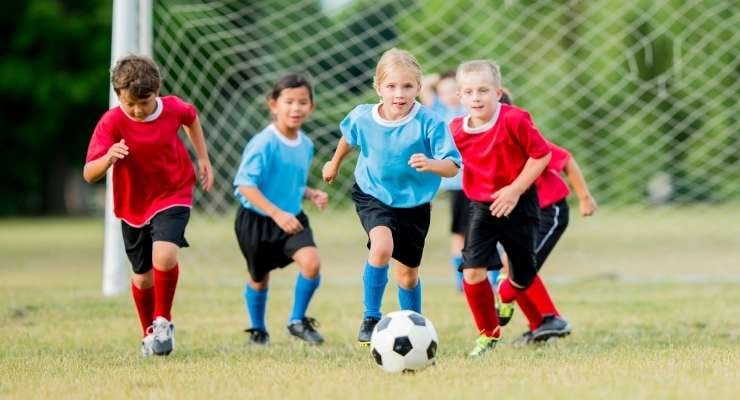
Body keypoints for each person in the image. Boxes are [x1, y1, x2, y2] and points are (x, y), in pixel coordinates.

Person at [322, 48, 461, 346]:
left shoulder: (430, 122)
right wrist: (334, 163)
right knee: (381, 246)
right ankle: (371, 316)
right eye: (391, 86)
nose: (399, 93)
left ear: (419, 88)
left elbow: (452, 166)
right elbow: (349, 137)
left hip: (414, 202)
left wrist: (431, 164)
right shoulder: (363, 116)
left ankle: (417, 331)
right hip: (372, 192)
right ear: (378, 87)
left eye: (408, 86)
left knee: (407, 275)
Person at [83, 54, 214, 356]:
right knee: (142, 277)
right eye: (130, 104)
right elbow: (89, 173)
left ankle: (163, 321)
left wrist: (203, 158)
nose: (138, 110)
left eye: (145, 102)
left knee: (165, 255)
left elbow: (190, 117)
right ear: (119, 96)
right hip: (133, 205)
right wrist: (108, 158)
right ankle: (148, 333)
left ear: (157, 92)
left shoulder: (172, 108)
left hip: (174, 191)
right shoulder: (112, 122)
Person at [450, 59, 554, 357]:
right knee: (472, 271)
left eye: (483, 90)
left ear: (497, 93)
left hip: (520, 204)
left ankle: (506, 294)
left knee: (523, 274)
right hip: (481, 207)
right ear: (460, 97)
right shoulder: (456, 129)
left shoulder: (515, 120)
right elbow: (445, 161)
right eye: (469, 92)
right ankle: (487, 334)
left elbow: (541, 155)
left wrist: (515, 189)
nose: (476, 97)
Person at [493, 90, 598, 345]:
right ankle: (541, 324)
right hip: (522, 215)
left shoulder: (523, 137)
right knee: (516, 268)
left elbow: (566, 160)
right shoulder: (485, 143)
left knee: (518, 270)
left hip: (549, 212)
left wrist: (584, 196)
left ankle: (546, 316)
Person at [233, 74, 329, 346]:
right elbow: (245, 185)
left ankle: (296, 321)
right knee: (259, 278)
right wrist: (276, 213)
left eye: (302, 102)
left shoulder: (306, 144)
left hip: (292, 217)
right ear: (273, 105)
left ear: (311, 107)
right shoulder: (264, 142)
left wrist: (310, 193)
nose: (296, 108)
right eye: (289, 102)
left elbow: (289, 182)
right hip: (257, 220)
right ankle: (258, 329)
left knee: (311, 262)